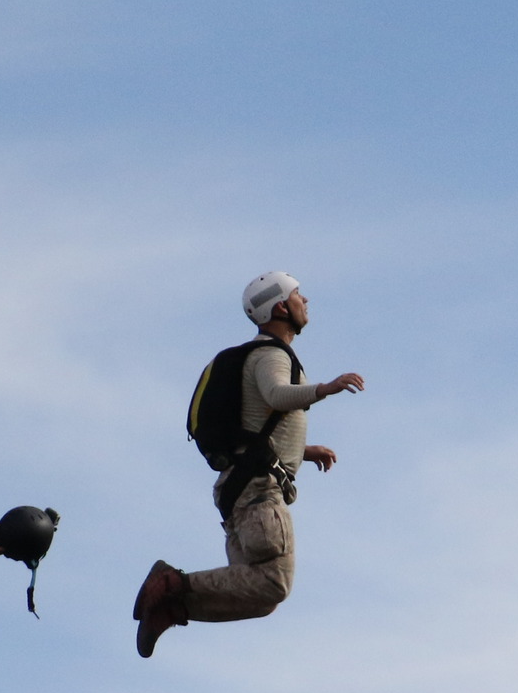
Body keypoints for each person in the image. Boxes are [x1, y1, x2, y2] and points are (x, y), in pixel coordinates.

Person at [135, 271, 363, 657]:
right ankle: (172, 585)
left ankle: (172, 604)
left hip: (239, 490)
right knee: (274, 583)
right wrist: (326, 388)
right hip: (258, 490)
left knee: (261, 595)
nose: (305, 301)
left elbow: (255, 426)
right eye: (297, 295)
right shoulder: (271, 354)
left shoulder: (257, 356)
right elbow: (277, 394)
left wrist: (305, 450)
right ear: (280, 307)